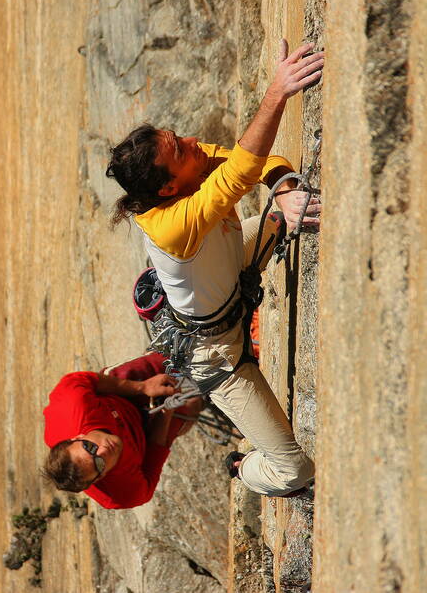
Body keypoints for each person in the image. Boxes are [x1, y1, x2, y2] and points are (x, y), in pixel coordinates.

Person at [103, 40, 324, 496]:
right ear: (167, 187)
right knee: (294, 472)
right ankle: (243, 469)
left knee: (289, 212)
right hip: (217, 352)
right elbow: (241, 171)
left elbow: (257, 164)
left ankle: (280, 214)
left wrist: (283, 188)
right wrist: (277, 91)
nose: (191, 142)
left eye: (177, 137)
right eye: (180, 150)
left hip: (228, 264)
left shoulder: (188, 166)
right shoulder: (168, 226)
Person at [42, 352, 204, 509]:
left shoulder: (73, 405)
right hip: (146, 436)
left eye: (90, 447)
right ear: (101, 477)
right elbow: (154, 456)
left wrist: (142, 387)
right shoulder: (121, 493)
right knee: (192, 402)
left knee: (171, 357)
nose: (104, 451)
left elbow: (86, 380)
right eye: (99, 464)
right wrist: (166, 412)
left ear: (77, 437)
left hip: (119, 393)